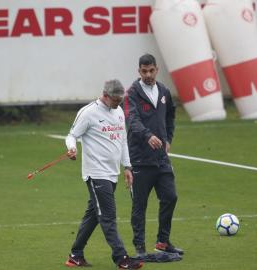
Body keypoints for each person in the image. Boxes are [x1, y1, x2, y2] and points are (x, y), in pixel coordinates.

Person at [64, 79, 143, 269]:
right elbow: (72, 135)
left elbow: (123, 140)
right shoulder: (88, 113)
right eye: (116, 100)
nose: (118, 104)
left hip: (112, 173)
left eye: (120, 100)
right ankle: (121, 259)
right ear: (105, 95)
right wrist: (72, 148)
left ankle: (75, 255)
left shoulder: (117, 112)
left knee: (93, 215)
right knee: (108, 216)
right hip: (95, 174)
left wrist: (127, 167)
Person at [123, 54, 184, 258]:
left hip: (161, 159)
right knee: (139, 205)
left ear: (157, 69)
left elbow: (170, 116)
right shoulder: (132, 93)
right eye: (144, 71)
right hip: (139, 159)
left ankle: (163, 242)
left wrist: (168, 138)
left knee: (170, 197)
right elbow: (132, 120)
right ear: (138, 71)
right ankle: (139, 247)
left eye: (151, 70)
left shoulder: (164, 91)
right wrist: (148, 135)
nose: (148, 74)